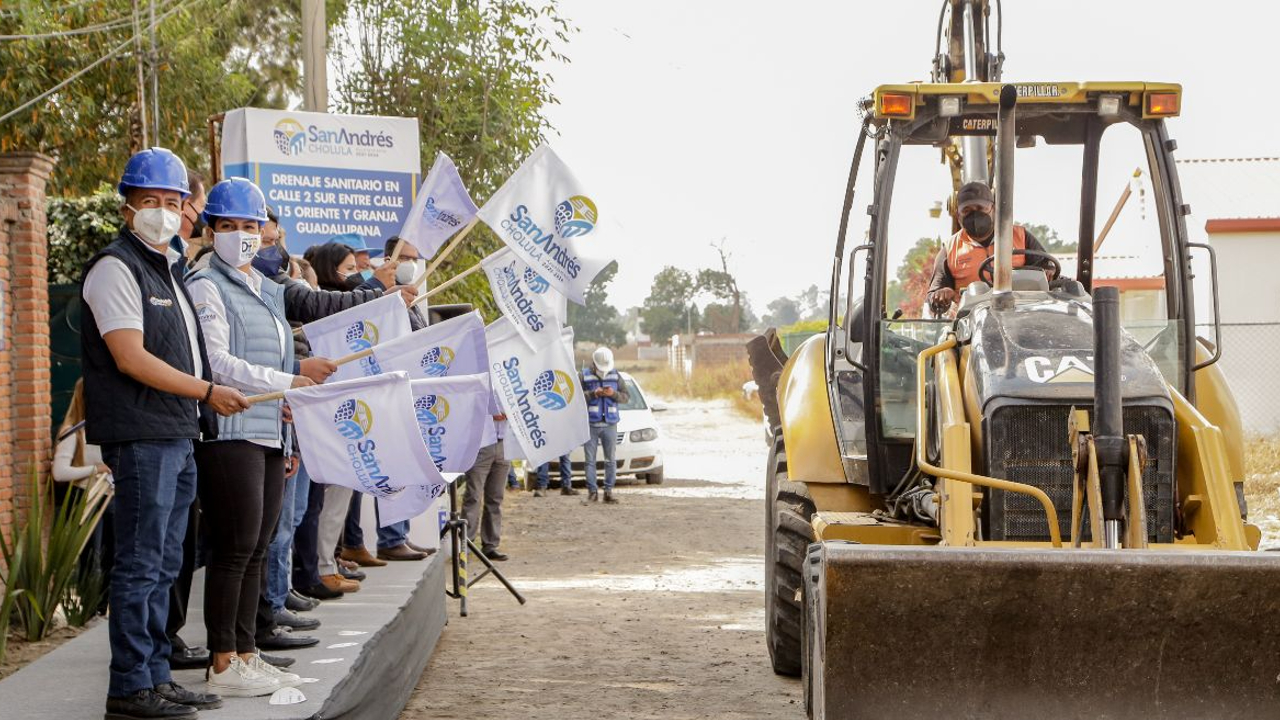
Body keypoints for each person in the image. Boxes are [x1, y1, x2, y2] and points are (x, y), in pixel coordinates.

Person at [83, 147, 249, 719]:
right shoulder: (115, 268)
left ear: (185, 211)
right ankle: (130, 687)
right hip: (141, 436)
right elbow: (130, 357)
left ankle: (155, 672)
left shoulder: (170, 269)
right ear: (127, 208)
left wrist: (200, 403)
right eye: (148, 201)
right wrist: (205, 393)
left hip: (176, 434)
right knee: (140, 563)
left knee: (165, 564)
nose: (161, 211)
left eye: (172, 202)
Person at [186, 177, 341, 697]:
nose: (240, 235)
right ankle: (223, 662)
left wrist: (293, 384)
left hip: (270, 429)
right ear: (210, 230)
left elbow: (272, 356)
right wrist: (290, 381)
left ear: (264, 232)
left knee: (257, 547)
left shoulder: (262, 286)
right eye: (227, 226)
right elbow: (219, 364)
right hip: (230, 430)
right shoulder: (205, 282)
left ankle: (248, 652)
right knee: (234, 548)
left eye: (250, 226)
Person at [925, 181, 1055, 314]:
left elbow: (1048, 272)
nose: (974, 215)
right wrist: (942, 295)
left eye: (980, 208)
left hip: (1022, 314)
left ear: (993, 208)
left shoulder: (1020, 237)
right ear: (958, 215)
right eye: (967, 211)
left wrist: (1049, 271)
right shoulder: (950, 249)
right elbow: (934, 296)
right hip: (971, 323)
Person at [52, 378, 114, 609]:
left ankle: (106, 606)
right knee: (92, 556)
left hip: (110, 497)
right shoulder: (73, 431)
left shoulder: (110, 426)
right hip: (85, 499)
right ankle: (90, 608)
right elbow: (59, 472)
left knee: (113, 554)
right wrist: (96, 469)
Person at [462, 405, 511, 561]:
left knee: (496, 498)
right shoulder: (480, 381)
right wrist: (491, 414)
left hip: (504, 442)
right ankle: (466, 545)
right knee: (473, 495)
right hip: (481, 444)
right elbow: (468, 406)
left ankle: (490, 545)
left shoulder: (511, 382)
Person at [581, 347, 629, 504]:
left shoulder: (616, 376)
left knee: (610, 460)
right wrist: (593, 394)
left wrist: (613, 394)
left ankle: (608, 492)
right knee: (590, 461)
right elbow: (577, 398)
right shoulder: (584, 376)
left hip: (610, 424)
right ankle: (592, 492)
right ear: (594, 363)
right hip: (591, 423)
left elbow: (626, 397)